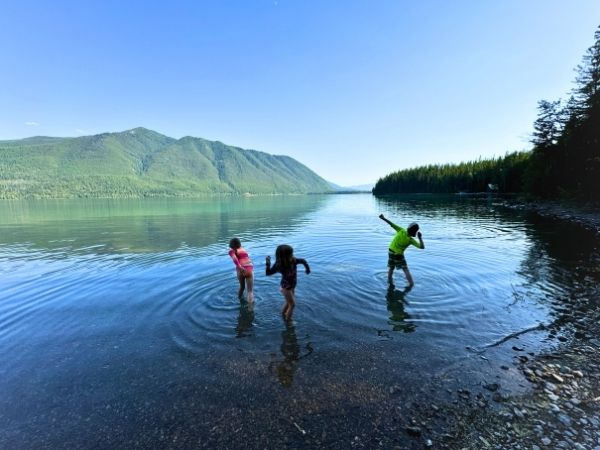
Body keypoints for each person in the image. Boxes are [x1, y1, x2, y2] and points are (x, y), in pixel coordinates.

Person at [266, 244, 310, 321]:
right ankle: (288, 322)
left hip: (292, 285)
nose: (292, 255)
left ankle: (283, 315)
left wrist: (307, 268)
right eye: (291, 254)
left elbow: (303, 261)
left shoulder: (293, 260)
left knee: (288, 302)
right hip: (286, 288)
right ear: (285, 255)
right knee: (292, 305)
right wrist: (268, 263)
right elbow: (268, 273)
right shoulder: (279, 265)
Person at [379, 214, 425, 287]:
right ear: (414, 232)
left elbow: (391, 224)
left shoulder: (401, 230)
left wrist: (383, 218)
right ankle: (411, 284)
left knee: (391, 268)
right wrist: (420, 238)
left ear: (408, 228)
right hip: (398, 255)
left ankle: (389, 282)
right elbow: (422, 247)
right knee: (405, 269)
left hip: (390, 251)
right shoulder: (411, 240)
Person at [228, 237, 254, 303]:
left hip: (240, 270)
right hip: (249, 269)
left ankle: (239, 301)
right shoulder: (243, 249)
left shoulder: (231, 251)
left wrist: (239, 267)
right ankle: (250, 308)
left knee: (242, 287)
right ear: (240, 244)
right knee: (250, 291)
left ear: (231, 245)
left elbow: (234, 259)